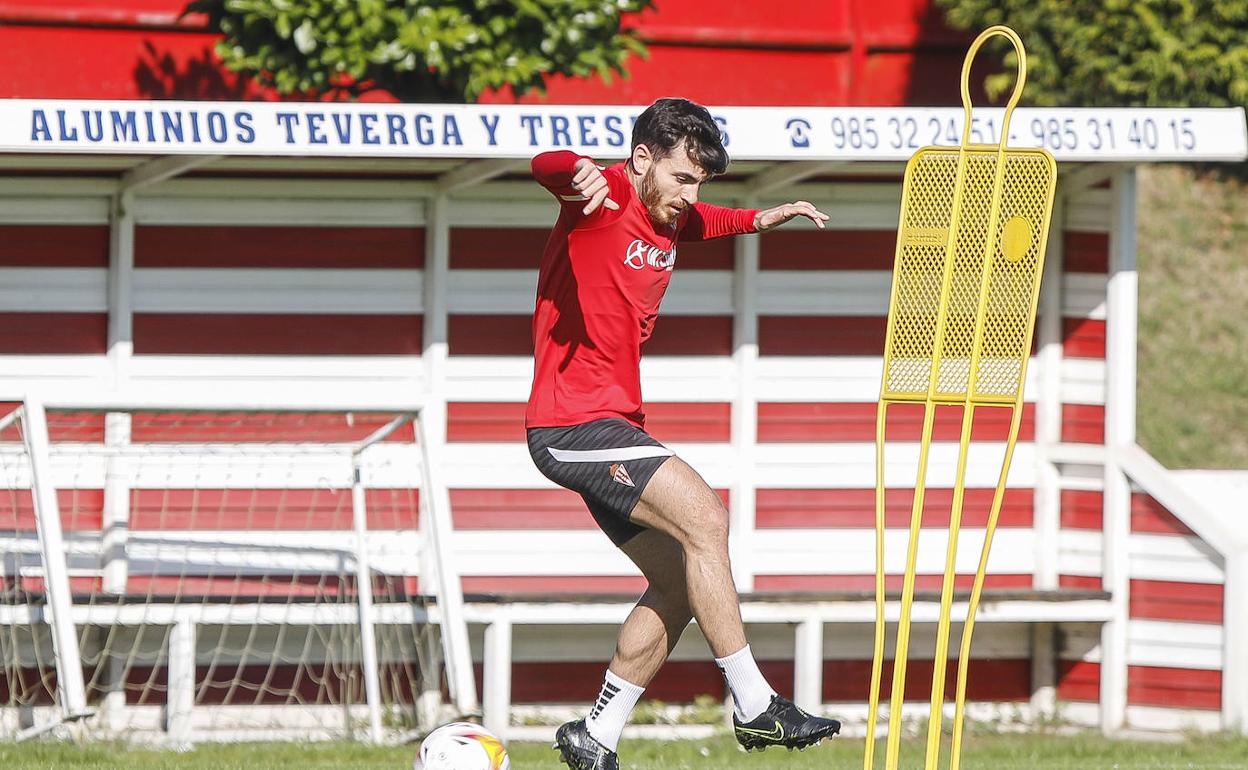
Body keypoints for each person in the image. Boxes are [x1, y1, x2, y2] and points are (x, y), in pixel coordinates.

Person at [526, 97, 841, 770]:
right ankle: (755, 705)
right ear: (643, 159)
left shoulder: (670, 213)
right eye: (682, 178)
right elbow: (547, 167)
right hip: (573, 422)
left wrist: (764, 217)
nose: (689, 195)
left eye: (699, 182)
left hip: (610, 427)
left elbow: (707, 221)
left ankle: (596, 735)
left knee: (677, 583)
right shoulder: (604, 192)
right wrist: (574, 169)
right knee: (707, 520)